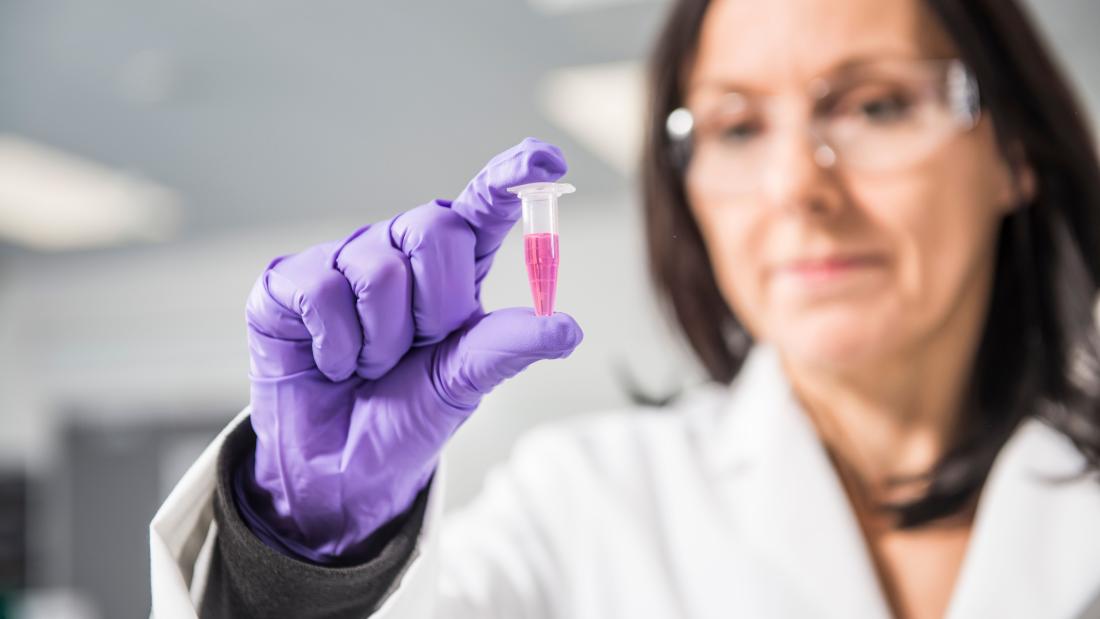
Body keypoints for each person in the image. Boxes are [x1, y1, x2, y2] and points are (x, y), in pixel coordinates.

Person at [150, 0, 1100, 617]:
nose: (796, 190)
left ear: (1013, 150)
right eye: (735, 125)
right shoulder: (582, 508)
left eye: (877, 107)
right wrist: (307, 562)